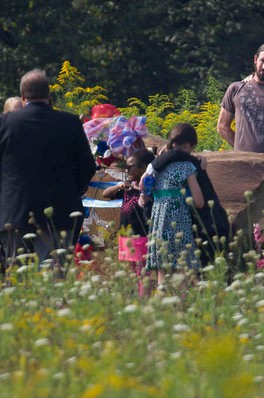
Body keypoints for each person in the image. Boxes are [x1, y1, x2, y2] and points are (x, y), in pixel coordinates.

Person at [0, 69, 96, 269]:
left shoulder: (6, 123)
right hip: (59, 214)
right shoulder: (70, 123)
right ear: (48, 95)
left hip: (15, 213)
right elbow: (88, 166)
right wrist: (72, 191)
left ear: (23, 96)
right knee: (54, 280)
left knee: (17, 281)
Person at [145, 123, 205, 285]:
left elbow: (144, 187)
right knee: (183, 276)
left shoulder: (156, 166)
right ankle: (181, 308)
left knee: (162, 279)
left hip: (158, 224)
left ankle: (161, 307)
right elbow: (199, 203)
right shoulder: (186, 167)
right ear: (187, 146)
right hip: (179, 224)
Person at [102, 149, 155, 277]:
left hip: (140, 237)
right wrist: (119, 186)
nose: (127, 170)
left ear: (143, 168)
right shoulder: (129, 187)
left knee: (142, 274)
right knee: (129, 275)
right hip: (125, 236)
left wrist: (141, 190)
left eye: (130, 167)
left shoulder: (149, 188)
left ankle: (143, 297)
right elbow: (106, 194)